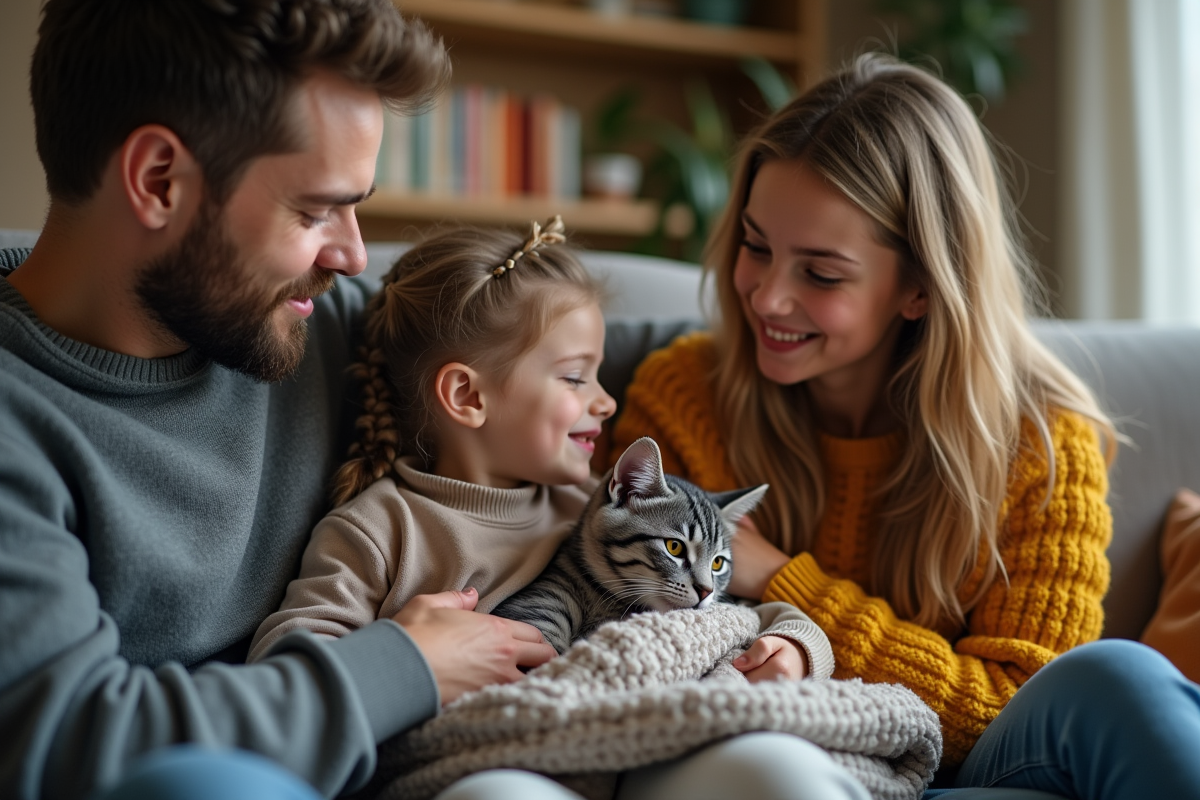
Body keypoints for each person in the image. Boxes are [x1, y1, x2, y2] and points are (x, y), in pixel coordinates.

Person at [0, 2, 558, 799]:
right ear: (159, 180)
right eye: (315, 209)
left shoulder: (303, 322)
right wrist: (406, 664)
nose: (354, 254)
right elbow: (75, 741)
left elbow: (617, 355)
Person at [611, 53, 1200, 799]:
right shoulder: (687, 396)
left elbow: (1018, 703)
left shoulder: (1039, 442)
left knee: (1121, 675)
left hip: (972, 774)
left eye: (820, 274)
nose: (766, 298)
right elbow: (628, 626)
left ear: (920, 288)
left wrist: (787, 580)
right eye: (756, 246)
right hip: (787, 764)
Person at [245, 218, 851, 800]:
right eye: (575, 378)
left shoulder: (593, 509)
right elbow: (282, 676)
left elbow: (752, 616)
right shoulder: (380, 529)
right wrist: (402, 653)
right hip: (484, 762)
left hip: (645, 748)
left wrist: (798, 648)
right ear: (468, 395)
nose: (607, 401)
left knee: (776, 769)